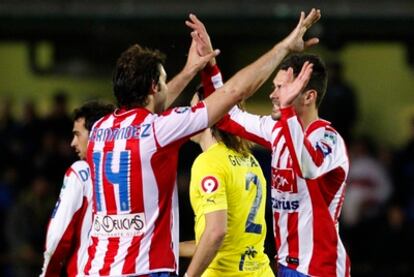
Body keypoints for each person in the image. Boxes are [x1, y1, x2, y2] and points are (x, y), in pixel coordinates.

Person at [84, 9, 320, 276]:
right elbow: (233, 93)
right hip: (144, 268)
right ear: (153, 87)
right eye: (163, 82)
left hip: (98, 266)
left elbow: (148, 107)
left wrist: (190, 69)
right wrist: (284, 47)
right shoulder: (159, 131)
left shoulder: (100, 129)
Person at [188, 14, 350, 277]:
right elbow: (227, 115)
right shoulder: (278, 131)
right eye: (275, 88)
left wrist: (286, 112)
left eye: (283, 88)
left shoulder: (329, 139)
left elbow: (308, 167)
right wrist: (210, 66)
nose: (274, 95)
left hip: (320, 269)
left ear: (309, 96)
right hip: (284, 266)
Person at [179, 87, 274, 276]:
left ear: (211, 115)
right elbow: (225, 242)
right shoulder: (249, 159)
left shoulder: (209, 162)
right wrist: (169, 247)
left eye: (193, 110)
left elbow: (216, 233)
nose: (188, 117)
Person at [40, 101, 115, 277]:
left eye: (77, 134)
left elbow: (58, 234)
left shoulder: (81, 171)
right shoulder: (133, 171)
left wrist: (48, 273)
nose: (73, 142)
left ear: (96, 134)